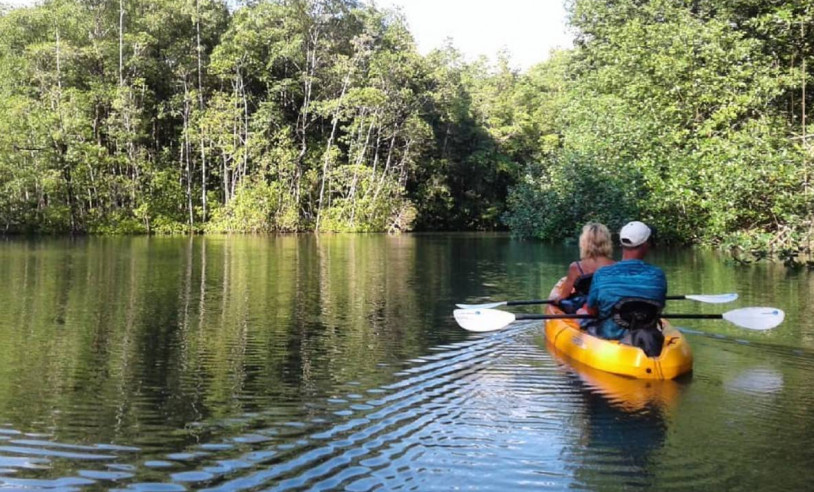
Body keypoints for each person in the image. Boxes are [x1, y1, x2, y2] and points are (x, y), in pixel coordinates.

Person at [584, 221, 667, 342]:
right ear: (646, 244)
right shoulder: (658, 274)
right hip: (645, 336)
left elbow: (591, 310)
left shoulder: (602, 274)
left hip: (609, 335)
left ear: (622, 244)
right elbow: (660, 306)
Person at [551, 222, 615, 312]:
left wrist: (554, 298)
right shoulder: (617, 266)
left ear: (584, 243)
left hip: (582, 308)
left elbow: (563, 296)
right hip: (606, 306)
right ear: (607, 242)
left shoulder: (576, 267)